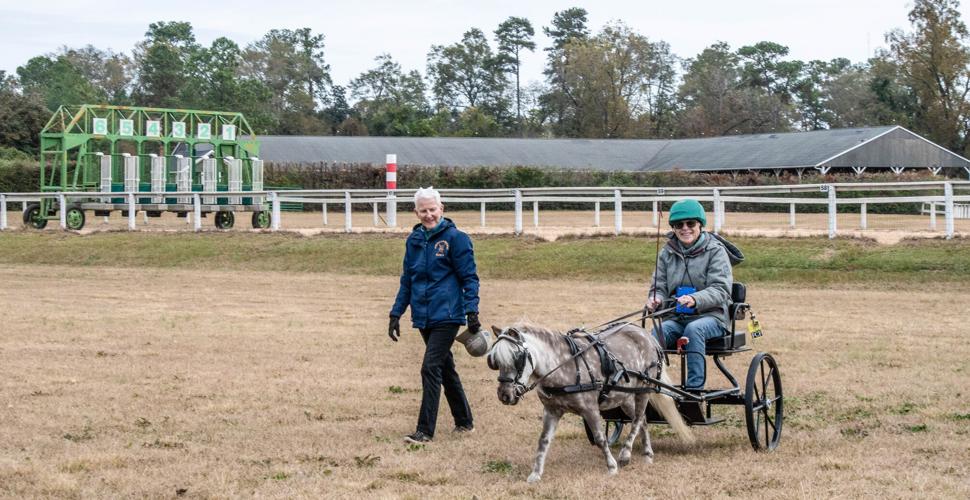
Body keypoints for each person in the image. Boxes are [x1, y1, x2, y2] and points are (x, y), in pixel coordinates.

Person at [388, 186, 480, 444]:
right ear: (416, 212)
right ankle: (464, 422)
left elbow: (469, 278)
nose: (429, 215)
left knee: (430, 368)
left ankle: (424, 431)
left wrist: (472, 310)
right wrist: (396, 314)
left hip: (448, 315)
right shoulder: (414, 240)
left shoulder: (456, 238)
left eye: (433, 209)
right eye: (423, 210)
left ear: (442, 209)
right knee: (445, 368)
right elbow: (407, 280)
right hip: (423, 316)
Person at [646, 199, 744, 391]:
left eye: (690, 223)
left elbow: (721, 289)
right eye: (678, 225)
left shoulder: (716, 251)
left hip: (712, 317)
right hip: (676, 318)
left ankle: (694, 390)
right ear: (673, 228)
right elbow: (659, 286)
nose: (685, 228)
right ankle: (652, 387)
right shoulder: (667, 253)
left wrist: (695, 299)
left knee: (694, 329)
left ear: (700, 224)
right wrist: (655, 298)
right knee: (656, 333)